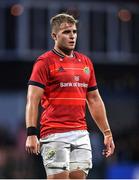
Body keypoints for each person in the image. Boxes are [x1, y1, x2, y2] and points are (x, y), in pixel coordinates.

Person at [25, 13, 115, 179]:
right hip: (54, 134)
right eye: (66, 32)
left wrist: (107, 133)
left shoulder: (86, 63)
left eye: (74, 31)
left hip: (81, 134)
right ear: (54, 35)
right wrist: (31, 132)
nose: (72, 36)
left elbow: (94, 100)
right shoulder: (44, 62)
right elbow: (32, 99)